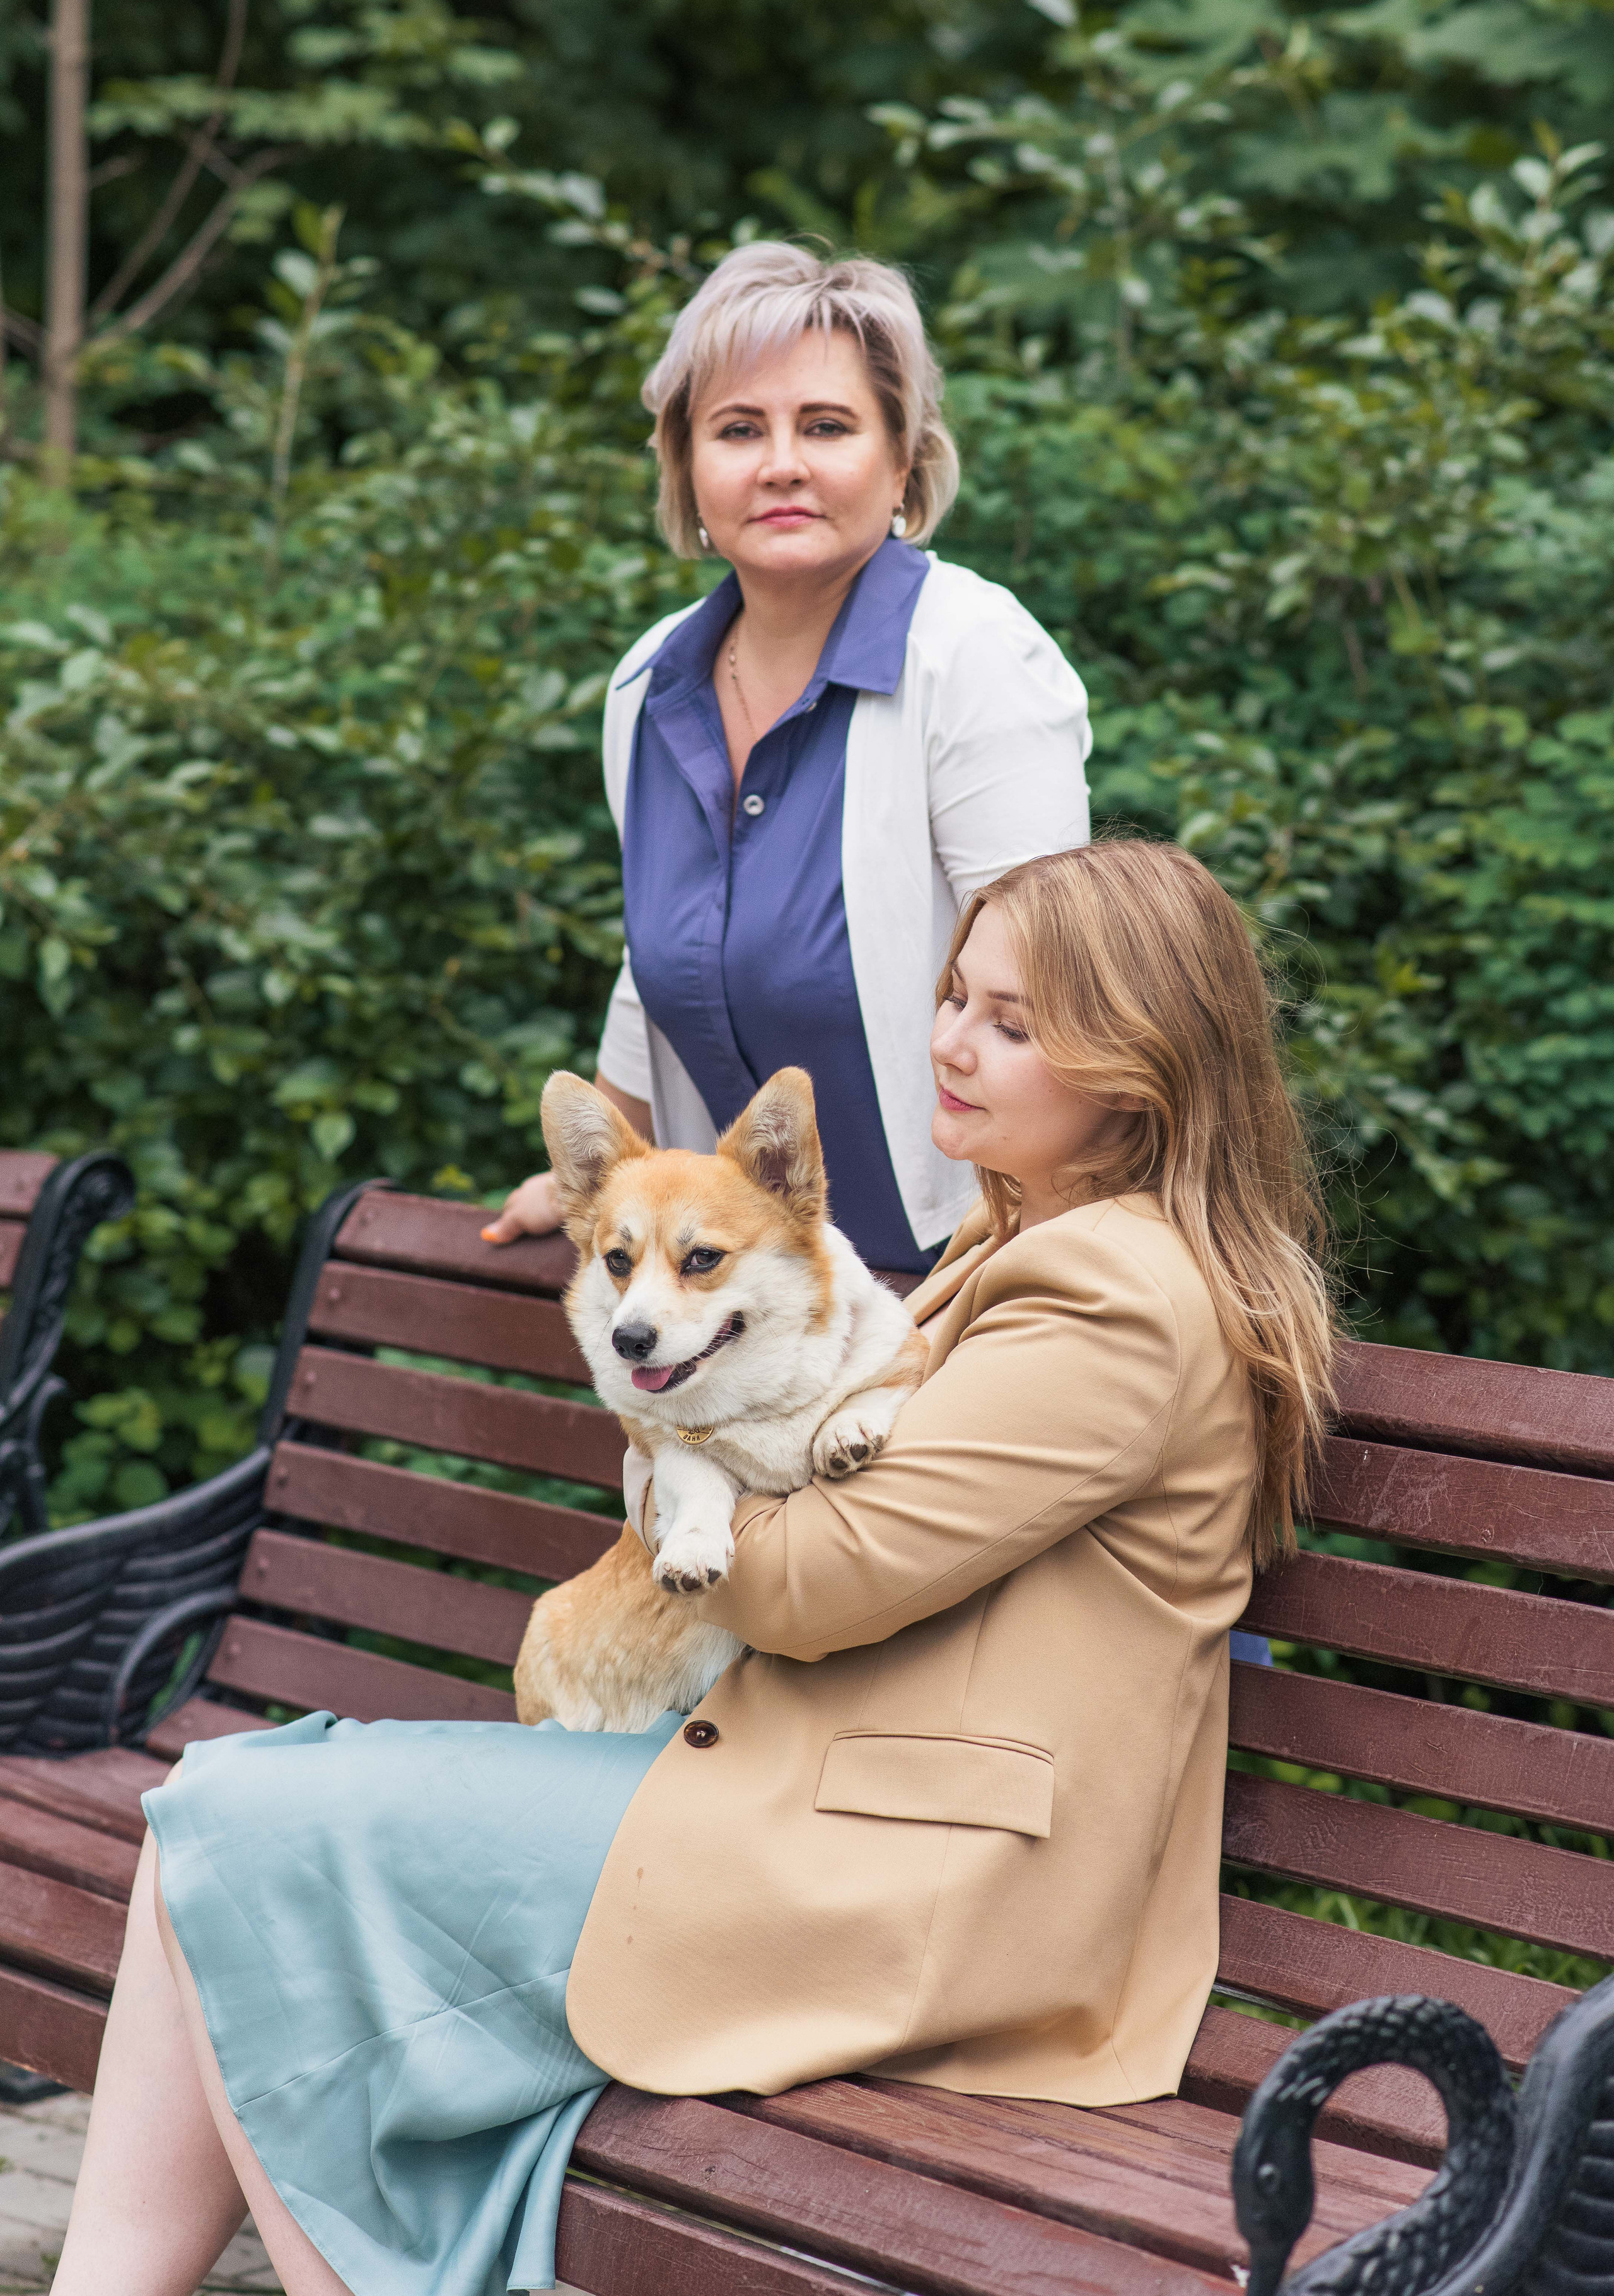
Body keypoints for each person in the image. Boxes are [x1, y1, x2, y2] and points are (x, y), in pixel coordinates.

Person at [52, 840, 1336, 2296]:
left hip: (921, 1885)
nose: (949, 1042)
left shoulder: (1113, 1294)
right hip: (818, 1795)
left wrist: (672, 1453)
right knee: (214, 1818)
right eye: (954, 996)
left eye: (1014, 1022)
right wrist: (684, 1445)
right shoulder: (1028, 1241)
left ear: (1140, 1064)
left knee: (241, 1822)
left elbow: (816, 1583)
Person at [483, 238, 1091, 1277]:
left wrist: (1028, 1283)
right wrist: (593, 1188)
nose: (781, 463)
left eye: (825, 425)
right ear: (685, 468)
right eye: (736, 429)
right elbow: (655, 975)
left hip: (967, 1271)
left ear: (902, 461)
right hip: (748, 1308)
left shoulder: (975, 659)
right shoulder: (649, 683)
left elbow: (1059, 1013)